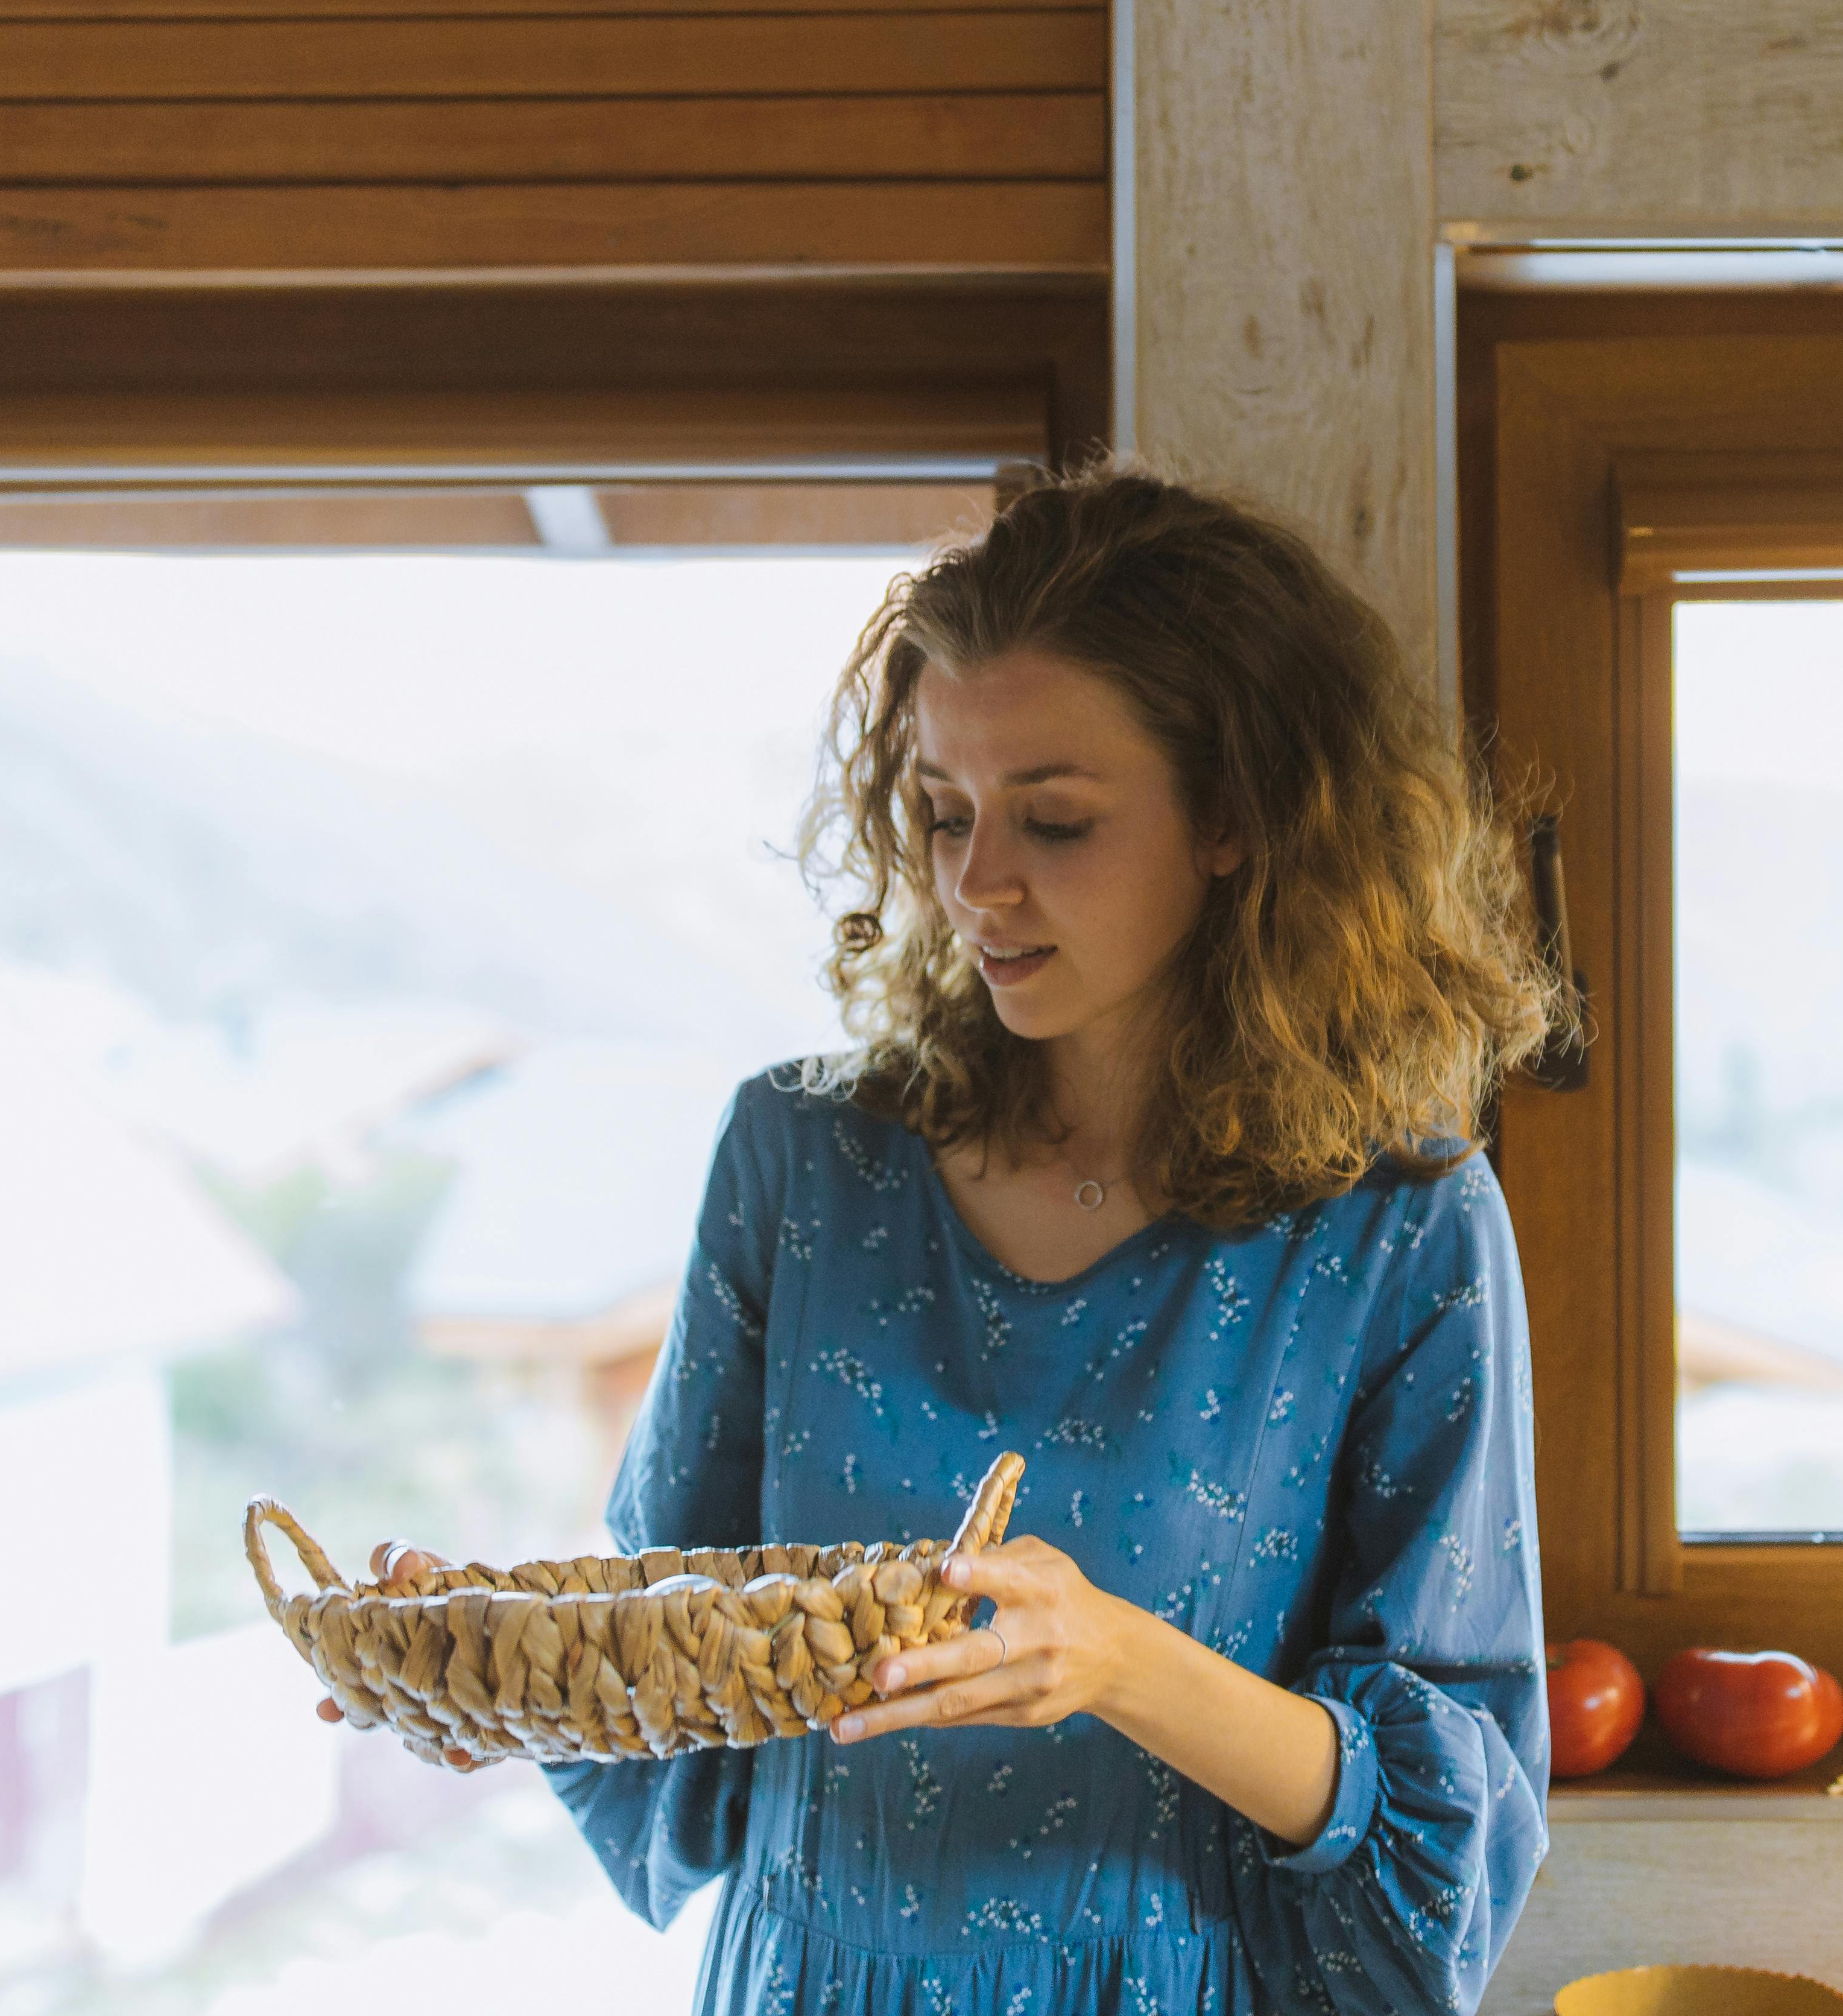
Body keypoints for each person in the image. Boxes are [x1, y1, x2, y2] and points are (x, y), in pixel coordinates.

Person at [549, 461, 1568, 2014]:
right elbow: (673, 1649)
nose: (975, 882)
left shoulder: (1400, 1228)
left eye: (1058, 819)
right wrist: (485, 1648)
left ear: (1235, 815)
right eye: (944, 812)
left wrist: (1116, 1661)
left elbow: (1456, 1827)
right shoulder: (801, 1157)